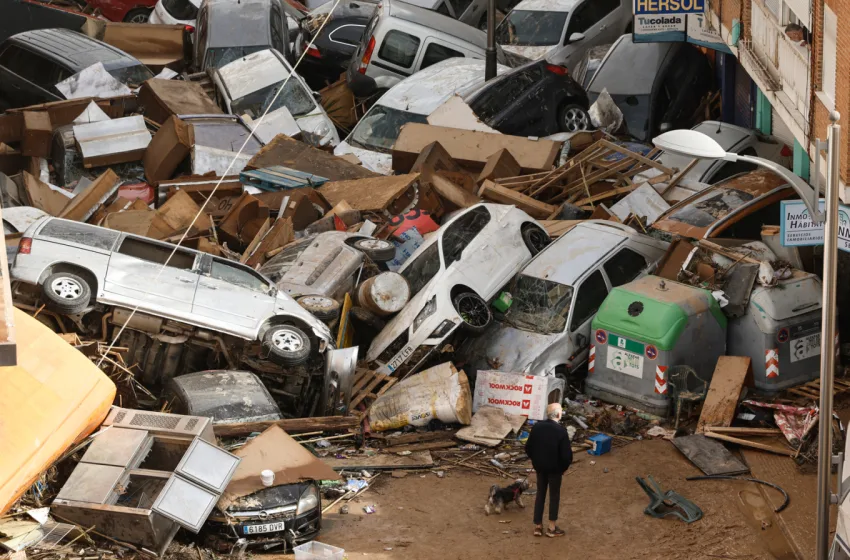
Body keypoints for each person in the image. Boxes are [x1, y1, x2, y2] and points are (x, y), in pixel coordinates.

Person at [524, 402, 573, 538]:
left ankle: (538, 526)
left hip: (540, 468)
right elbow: (566, 455)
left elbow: (528, 447)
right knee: (554, 495)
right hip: (555, 469)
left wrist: (536, 461)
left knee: (540, 494)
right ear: (558, 414)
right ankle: (552, 527)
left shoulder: (537, 427)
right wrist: (564, 468)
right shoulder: (561, 431)